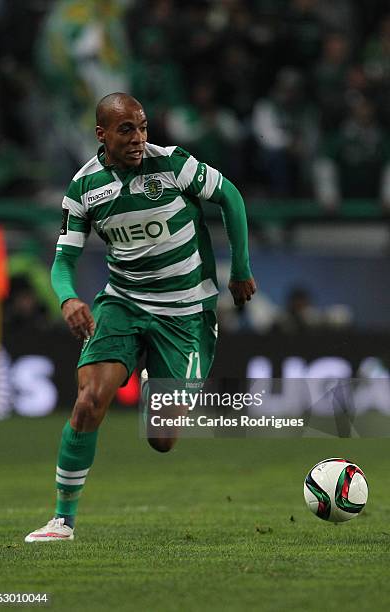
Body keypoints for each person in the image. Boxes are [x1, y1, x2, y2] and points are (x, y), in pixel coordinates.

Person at [24, 93, 256, 542]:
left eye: (143, 127)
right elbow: (62, 262)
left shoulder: (173, 165)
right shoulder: (84, 187)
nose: (138, 138)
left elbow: (229, 195)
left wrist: (241, 268)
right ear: (102, 134)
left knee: (163, 439)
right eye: (126, 129)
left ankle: (155, 383)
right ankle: (62, 520)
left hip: (185, 312)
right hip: (124, 303)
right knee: (89, 401)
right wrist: (69, 299)